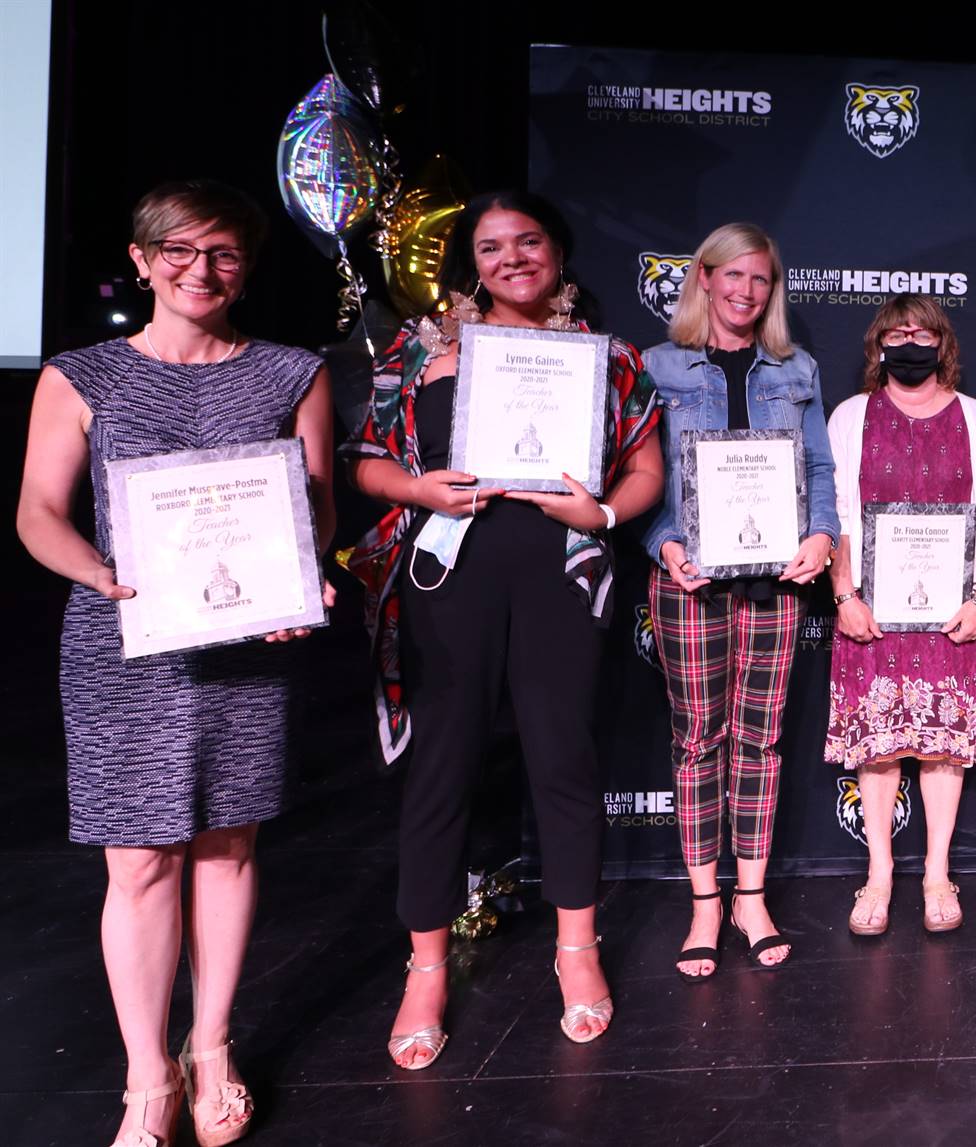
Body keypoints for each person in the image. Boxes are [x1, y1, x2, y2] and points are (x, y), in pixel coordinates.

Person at [17, 180, 333, 1146]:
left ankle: (211, 1046)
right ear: (145, 259)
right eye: (181, 251)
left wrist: (302, 588)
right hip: (123, 645)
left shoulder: (292, 370)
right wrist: (105, 578)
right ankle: (146, 1078)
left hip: (246, 643)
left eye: (225, 253)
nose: (203, 270)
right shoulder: (81, 376)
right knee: (140, 860)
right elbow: (37, 513)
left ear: (245, 266)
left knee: (227, 848)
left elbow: (315, 512)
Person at [341, 190, 663, 1066]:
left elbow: (645, 472)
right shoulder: (418, 349)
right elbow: (364, 465)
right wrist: (420, 489)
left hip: (560, 582)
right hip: (452, 580)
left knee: (564, 760)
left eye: (528, 241)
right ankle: (427, 967)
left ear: (558, 252)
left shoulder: (611, 356)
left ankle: (577, 949)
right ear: (470, 263)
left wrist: (602, 516)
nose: (511, 258)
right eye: (490, 247)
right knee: (439, 769)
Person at [642, 223, 838, 979]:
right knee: (698, 741)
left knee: (759, 739)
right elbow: (639, 475)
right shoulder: (657, 366)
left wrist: (821, 535)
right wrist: (665, 542)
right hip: (688, 580)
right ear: (705, 277)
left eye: (761, 280)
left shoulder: (796, 369)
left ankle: (750, 896)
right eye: (734, 276)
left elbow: (819, 466)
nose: (747, 292)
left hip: (776, 580)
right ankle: (704, 903)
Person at [824, 295, 976, 935]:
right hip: (871, 612)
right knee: (877, 752)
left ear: (942, 343)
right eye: (897, 331)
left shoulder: (975, 416)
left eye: (922, 331)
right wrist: (844, 595)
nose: (910, 340)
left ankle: (937, 872)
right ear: (879, 344)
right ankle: (878, 874)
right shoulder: (852, 416)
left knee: (941, 752)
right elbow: (836, 515)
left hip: (950, 615)